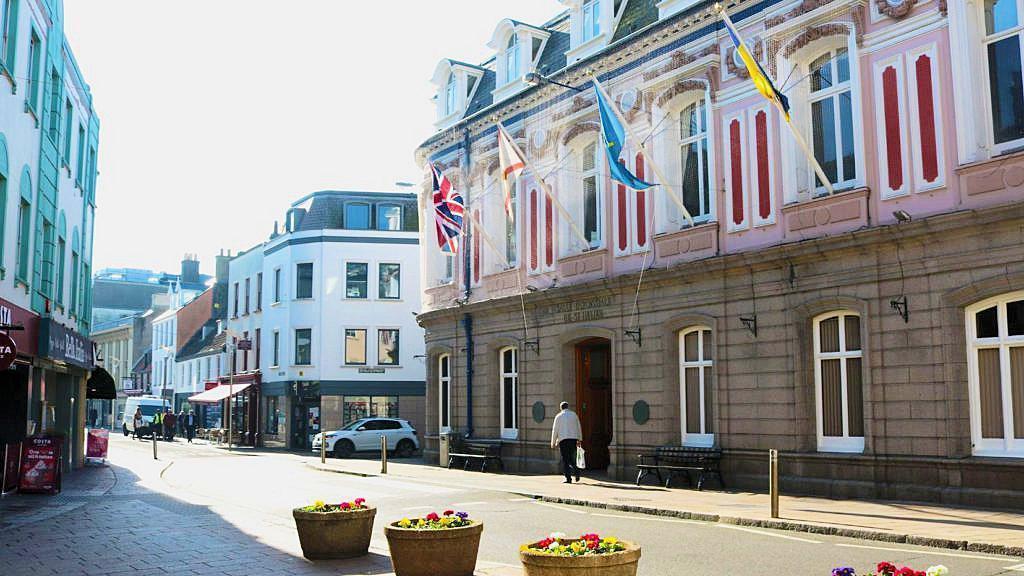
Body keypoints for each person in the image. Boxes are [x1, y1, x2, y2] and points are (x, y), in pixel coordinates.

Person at [550, 401, 583, 484]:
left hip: (563, 440)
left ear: (561, 408)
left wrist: (553, 442)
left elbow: (555, 429)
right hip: (573, 439)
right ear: (568, 407)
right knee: (571, 457)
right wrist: (579, 439)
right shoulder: (574, 415)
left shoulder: (558, 416)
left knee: (565, 459)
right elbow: (578, 427)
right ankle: (576, 470)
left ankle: (568, 478)